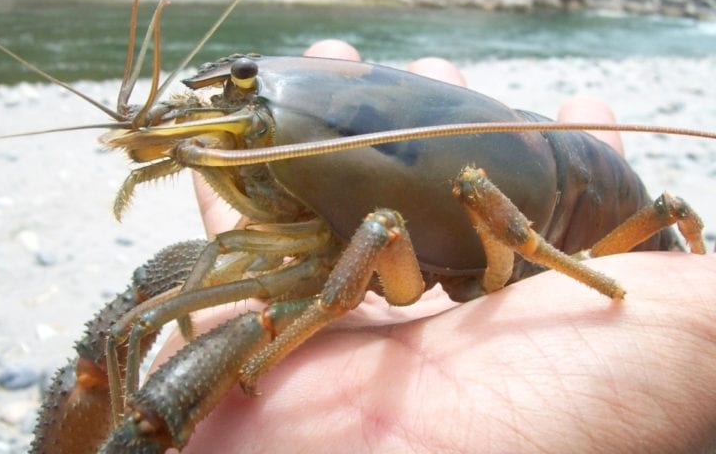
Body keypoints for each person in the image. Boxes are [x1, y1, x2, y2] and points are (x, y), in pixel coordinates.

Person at [153, 40, 716, 453]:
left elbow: (426, 214)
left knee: (419, 209)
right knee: (149, 290)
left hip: (584, 214)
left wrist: (605, 277)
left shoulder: (391, 223)